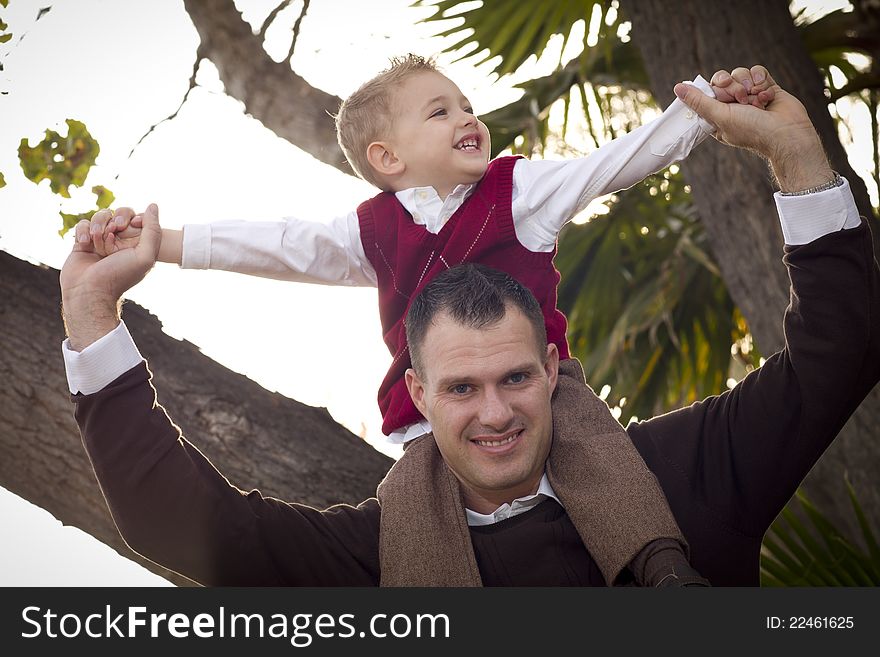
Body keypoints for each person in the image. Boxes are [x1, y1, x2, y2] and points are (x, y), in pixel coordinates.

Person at [61, 66, 878, 586]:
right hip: (417, 463)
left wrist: (710, 117)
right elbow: (284, 246)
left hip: (595, 438)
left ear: (548, 368)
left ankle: (660, 565)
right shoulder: (378, 554)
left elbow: (615, 162)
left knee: (602, 460)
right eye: (461, 386)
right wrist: (150, 255)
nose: (492, 410)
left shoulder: (520, 193)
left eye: (515, 376)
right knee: (420, 497)